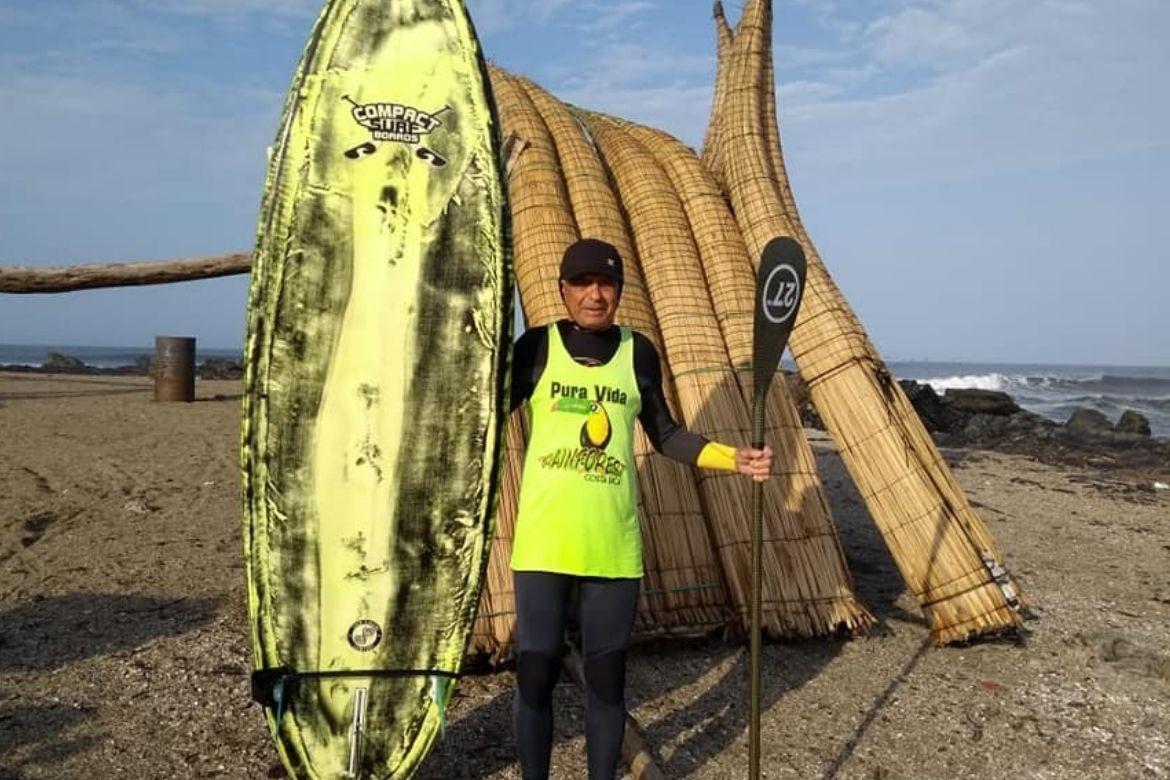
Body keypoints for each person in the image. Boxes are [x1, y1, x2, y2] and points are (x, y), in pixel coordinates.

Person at [508, 237, 773, 780]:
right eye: (582, 283)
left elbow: (666, 433)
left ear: (620, 291)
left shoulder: (639, 351)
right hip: (542, 545)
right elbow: (482, 413)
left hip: (613, 548)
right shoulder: (535, 348)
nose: (595, 295)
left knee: (607, 680)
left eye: (606, 283)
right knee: (534, 673)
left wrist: (735, 459)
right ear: (562, 290)